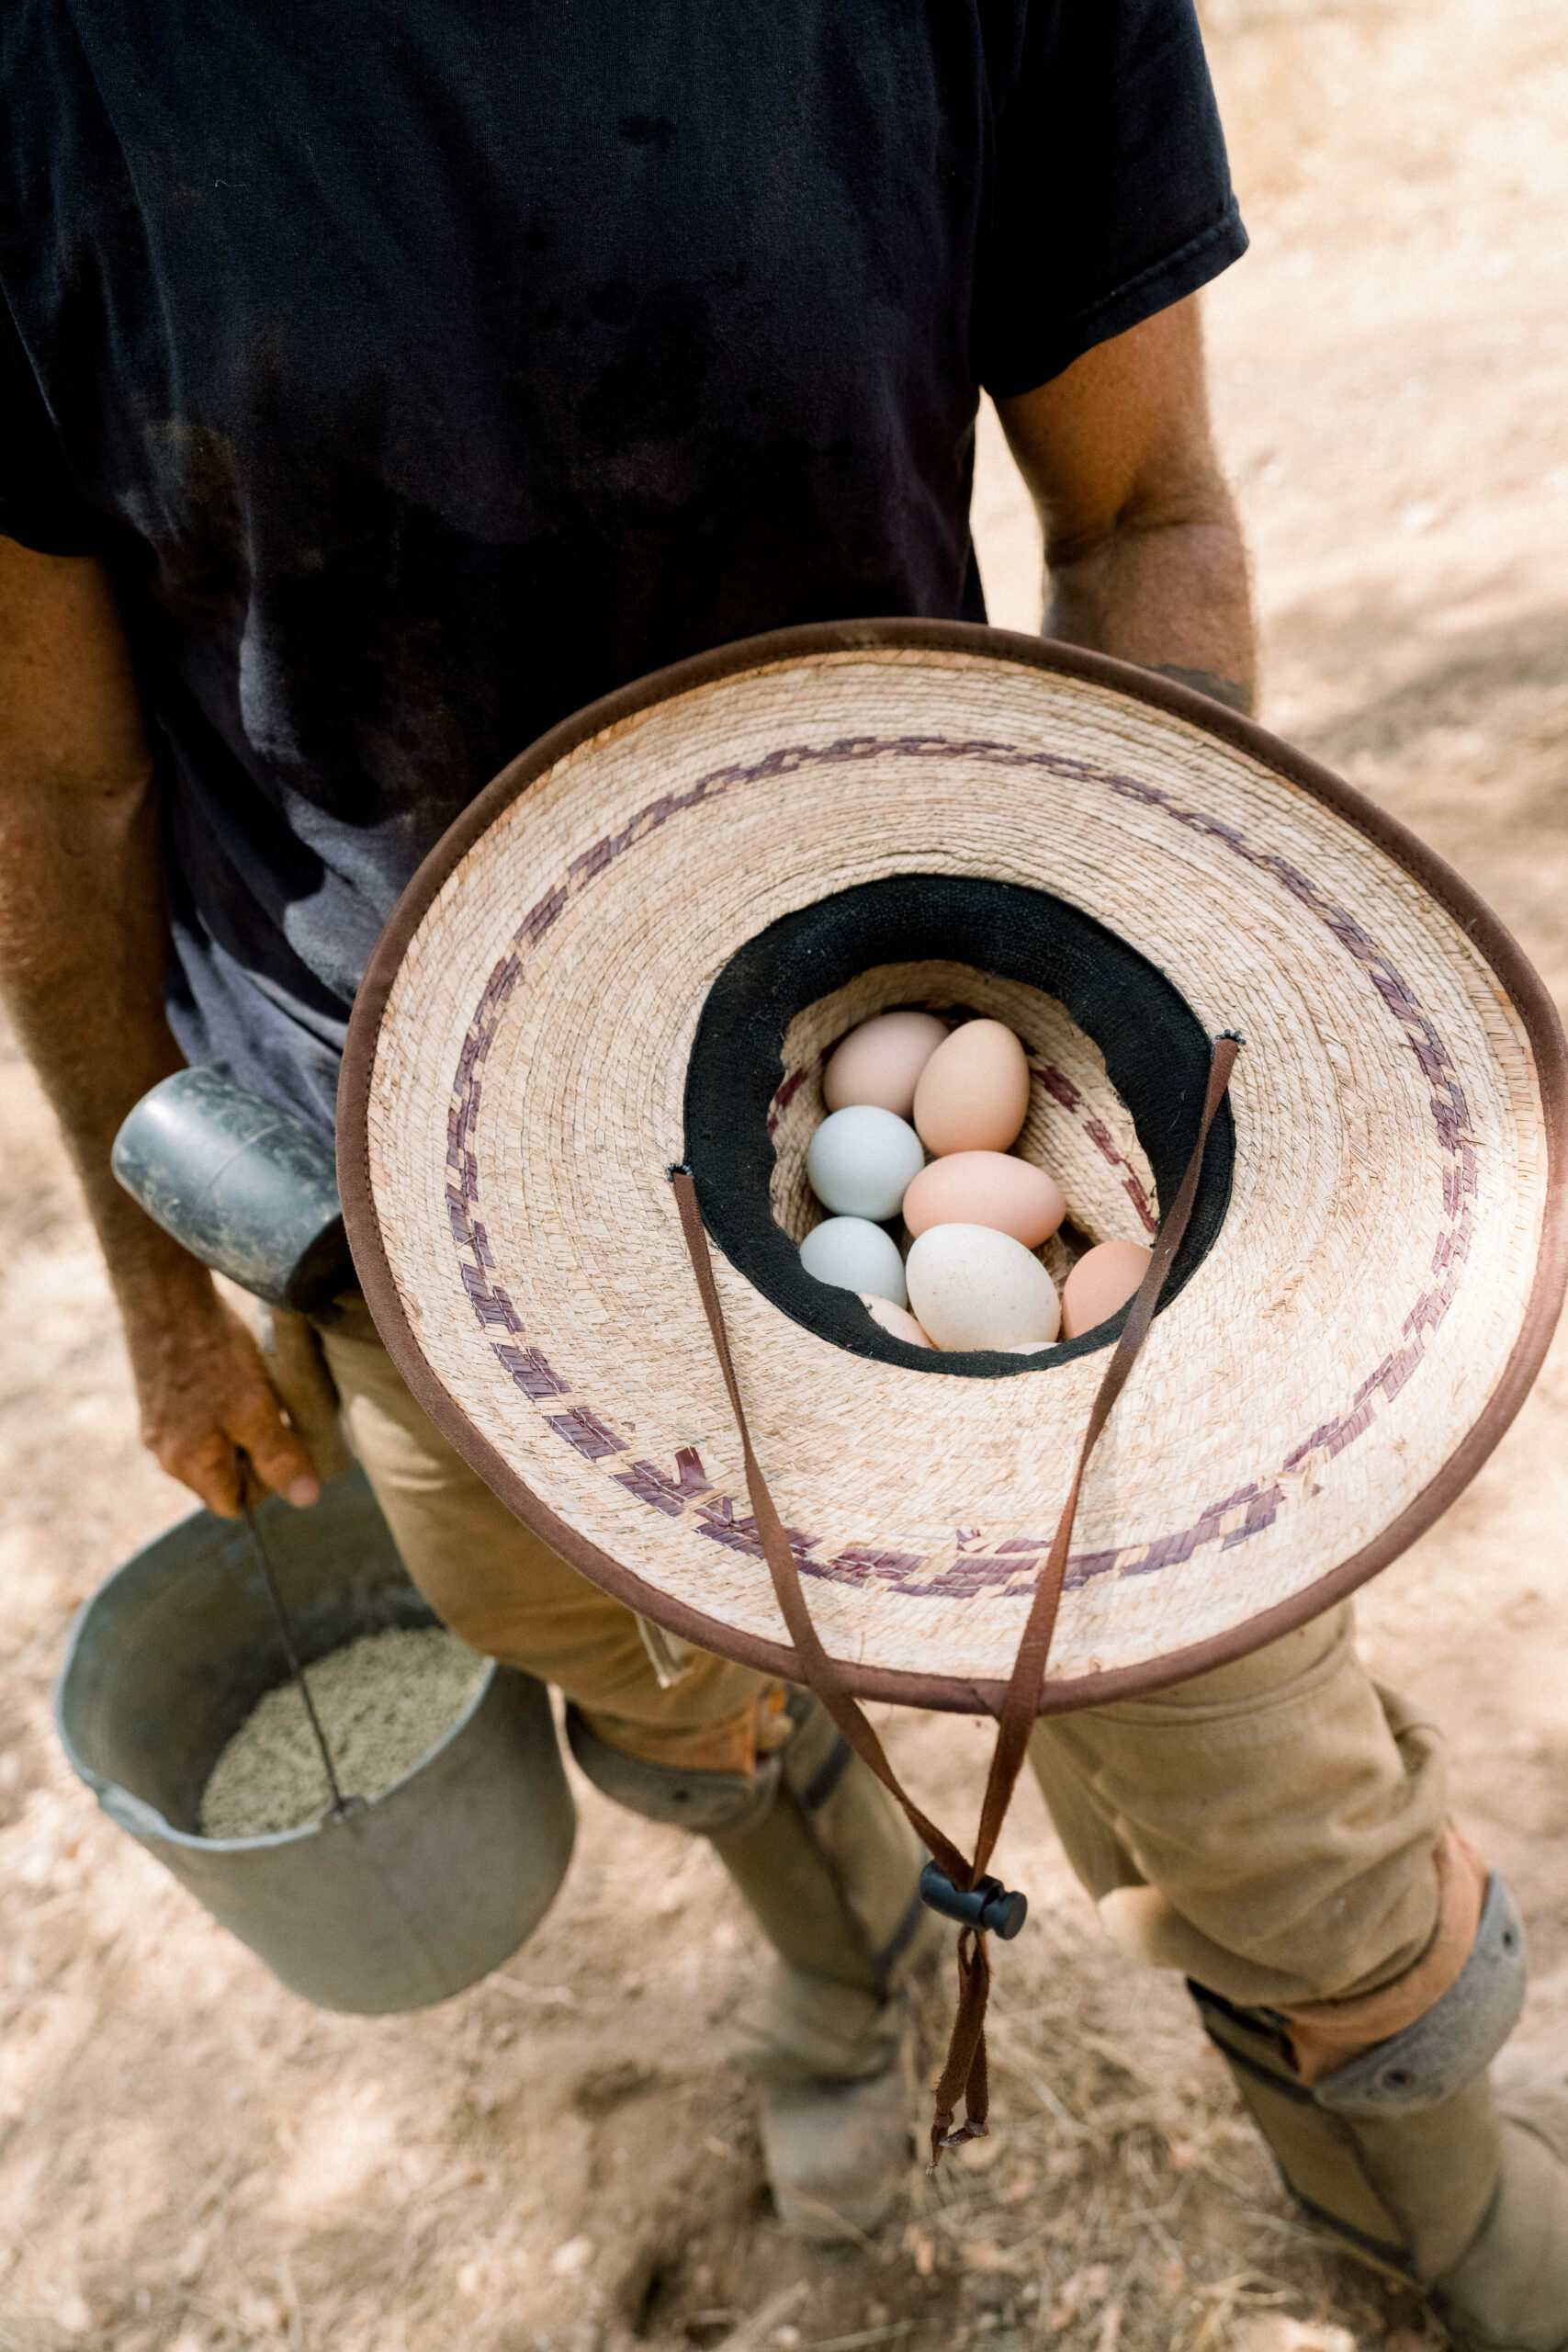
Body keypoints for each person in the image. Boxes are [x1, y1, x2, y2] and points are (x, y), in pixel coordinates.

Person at [2, 3, 1564, 2335]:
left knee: (1250, 1754)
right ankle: (841, 1946)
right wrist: (160, 1297)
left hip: (917, 988)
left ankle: (1420, 2203)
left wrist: (1109, 989)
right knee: (643, 1663)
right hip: (386, 1170)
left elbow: (1138, 506)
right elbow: (68, 780)